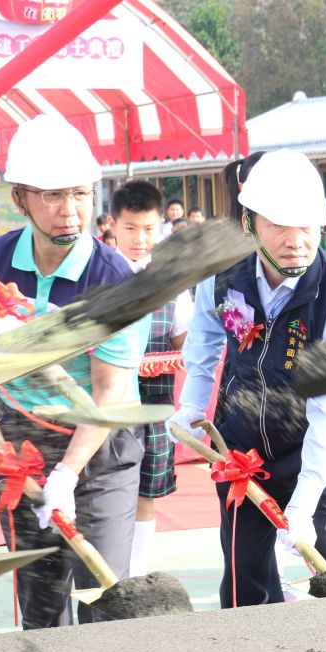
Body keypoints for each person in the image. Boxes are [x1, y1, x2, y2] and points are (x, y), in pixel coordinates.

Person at [169, 149, 326, 608]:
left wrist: (304, 500)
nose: (296, 240)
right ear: (249, 224)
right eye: (279, 225)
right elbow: (203, 341)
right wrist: (194, 407)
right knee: (244, 580)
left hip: (317, 447)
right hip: (241, 446)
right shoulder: (221, 276)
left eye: (307, 226)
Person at [0, 114, 149, 628]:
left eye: (79, 194)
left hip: (100, 456)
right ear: (21, 198)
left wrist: (68, 473)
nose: (69, 211)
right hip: (24, 450)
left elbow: (110, 392)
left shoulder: (114, 279)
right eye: (52, 196)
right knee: (41, 612)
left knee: (103, 604)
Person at [109, 180, 193, 576]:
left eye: (148, 229)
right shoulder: (99, 274)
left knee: (146, 492)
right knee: (106, 492)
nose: (139, 239)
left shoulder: (173, 283)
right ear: (112, 225)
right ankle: (111, 571)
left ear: (161, 226)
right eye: (130, 229)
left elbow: (186, 344)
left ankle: (138, 574)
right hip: (107, 409)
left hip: (154, 406)